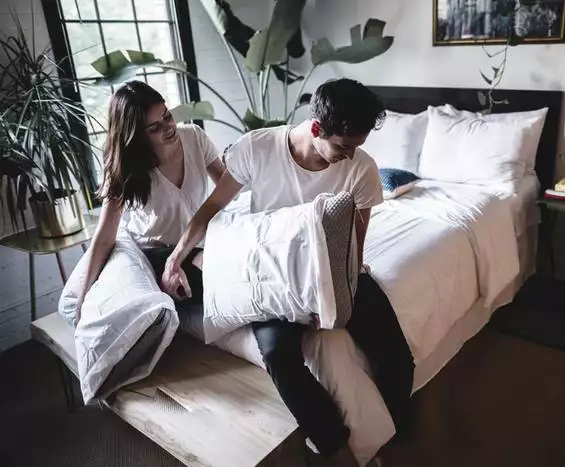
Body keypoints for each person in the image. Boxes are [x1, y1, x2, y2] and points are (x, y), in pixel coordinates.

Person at [161, 78, 415, 466]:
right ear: (316, 128)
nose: (349, 156)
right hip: (275, 275)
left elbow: (354, 246)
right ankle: (336, 449)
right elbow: (211, 208)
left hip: (339, 270)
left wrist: (334, 298)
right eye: (342, 147)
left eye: (356, 147)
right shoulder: (257, 148)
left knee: (397, 358)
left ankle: (391, 436)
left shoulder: (361, 169)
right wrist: (176, 257)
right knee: (279, 356)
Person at [74, 80, 226, 322]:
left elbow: (229, 186)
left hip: (196, 242)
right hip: (156, 252)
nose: (168, 127)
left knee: (227, 270)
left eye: (167, 116)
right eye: (155, 127)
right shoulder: (126, 167)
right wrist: (82, 298)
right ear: (136, 135)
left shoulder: (195, 138)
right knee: (209, 277)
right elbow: (105, 236)